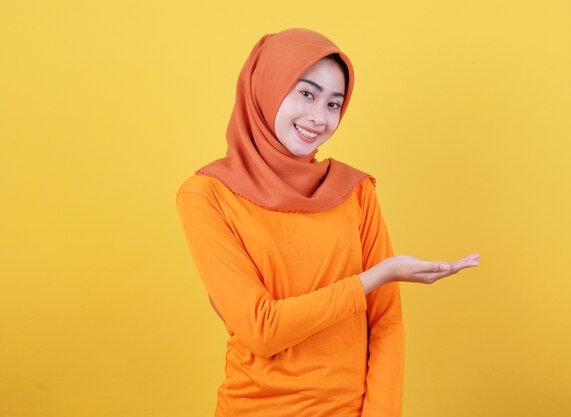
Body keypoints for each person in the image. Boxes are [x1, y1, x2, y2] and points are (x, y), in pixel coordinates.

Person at [176, 28, 480, 417]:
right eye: (306, 93)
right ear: (266, 86)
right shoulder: (207, 195)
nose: (319, 118)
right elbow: (261, 330)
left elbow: (385, 323)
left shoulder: (354, 190)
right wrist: (374, 277)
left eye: (334, 104)